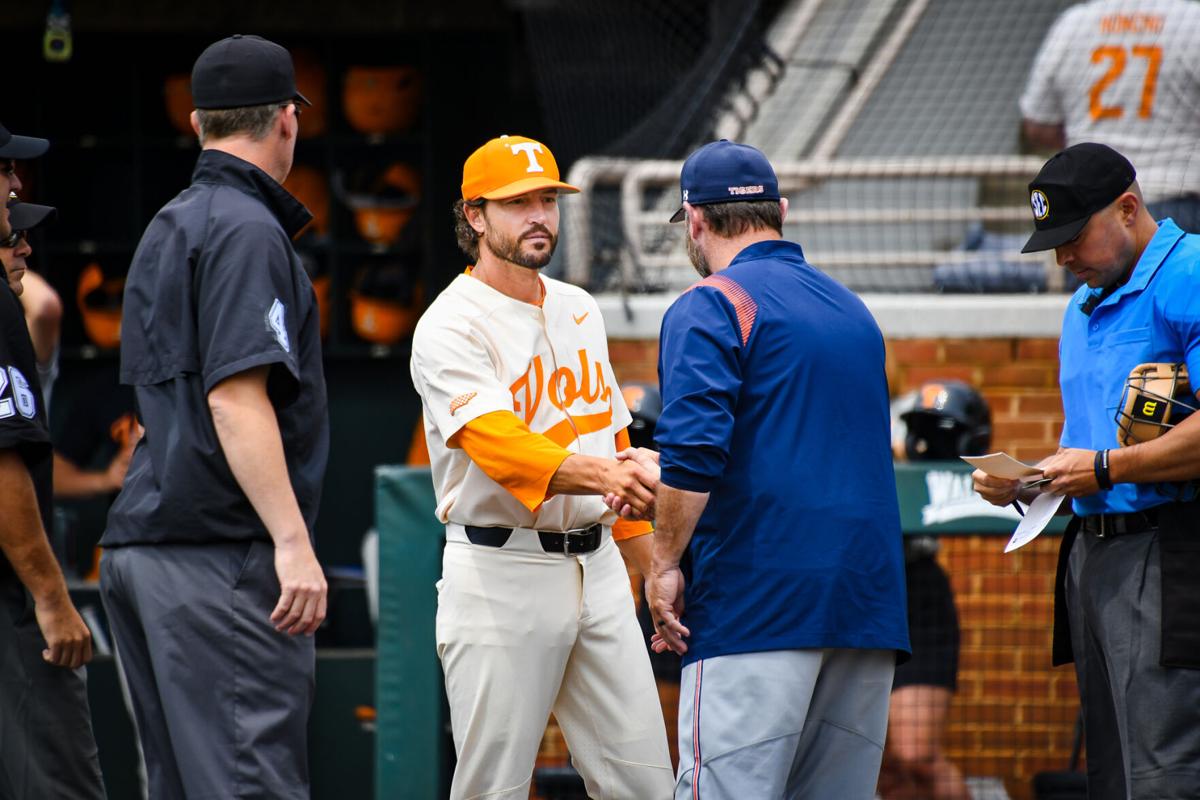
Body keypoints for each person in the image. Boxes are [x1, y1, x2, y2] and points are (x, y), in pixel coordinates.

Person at [637, 139, 910, 799]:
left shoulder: (712, 301)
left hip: (758, 606)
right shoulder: (853, 310)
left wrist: (665, 559)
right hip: (864, 612)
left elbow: (696, 452)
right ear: (781, 211)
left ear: (694, 220)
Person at [409, 134, 673, 800]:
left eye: (548, 200)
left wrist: (653, 569)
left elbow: (612, 436)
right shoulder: (449, 324)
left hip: (600, 570)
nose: (539, 216)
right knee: (492, 789)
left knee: (645, 786)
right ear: (474, 216)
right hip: (502, 568)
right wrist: (606, 475)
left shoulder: (578, 306)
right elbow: (497, 443)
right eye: (517, 202)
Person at [99, 35, 328, 800]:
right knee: (246, 786)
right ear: (287, 121)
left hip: (145, 548)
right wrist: (292, 542)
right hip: (218, 557)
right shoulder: (247, 227)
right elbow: (235, 398)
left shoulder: (170, 222)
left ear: (198, 121)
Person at [974, 141, 1200, 800]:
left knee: (1165, 773)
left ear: (1128, 209)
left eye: (1074, 236)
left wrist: (1103, 468)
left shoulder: (1188, 273)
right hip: (1094, 555)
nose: (1062, 256)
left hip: (1172, 546)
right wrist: (1028, 483)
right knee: (1113, 772)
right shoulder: (1081, 307)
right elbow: (1091, 450)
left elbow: (1108, 461)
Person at [0, 127, 106, 799]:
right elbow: (2, 467)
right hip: (11, 601)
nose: (15, 185)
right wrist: (52, 597)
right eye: (4, 174)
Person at [877, 381, 982, 800]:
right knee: (880, 767)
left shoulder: (904, 413)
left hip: (914, 589)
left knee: (916, 755)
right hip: (856, 595)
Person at [1020, 0, 1200, 231]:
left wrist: (1090, 146)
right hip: (1178, 200)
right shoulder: (1191, 21)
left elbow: (1038, 126)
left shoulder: (1073, 25)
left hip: (1090, 209)